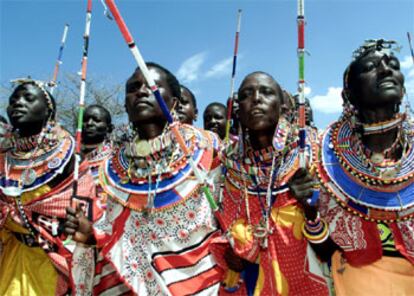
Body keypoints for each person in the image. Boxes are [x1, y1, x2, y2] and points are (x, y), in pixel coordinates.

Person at [66, 63, 223, 295]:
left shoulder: (207, 147)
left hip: (203, 283)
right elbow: (112, 233)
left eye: (152, 86)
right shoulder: (110, 170)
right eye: (132, 88)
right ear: (126, 107)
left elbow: (230, 213)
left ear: (174, 102)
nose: (141, 91)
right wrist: (91, 236)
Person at [310, 39, 414, 295]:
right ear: (349, 94)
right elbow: (325, 251)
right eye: (371, 67)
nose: (386, 70)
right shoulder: (323, 161)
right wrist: (309, 211)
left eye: (393, 65)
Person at [212, 71, 329, 295]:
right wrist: (234, 252)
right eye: (246, 94)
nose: (256, 98)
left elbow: (333, 249)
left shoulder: (311, 153)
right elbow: (227, 241)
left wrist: (310, 210)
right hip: (254, 281)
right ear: (239, 110)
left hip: (312, 279)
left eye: (266, 92)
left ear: (283, 106)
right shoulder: (226, 168)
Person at [0, 78, 100, 295]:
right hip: (11, 256)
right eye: (13, 99)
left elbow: (85, 210)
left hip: (53, 260)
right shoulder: (4, 158)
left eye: (28, 98)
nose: (18, 103)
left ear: (48, 111)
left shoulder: (68, 154)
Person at [81, 104, 114, 209]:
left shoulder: (114, 158)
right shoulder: (68, 155)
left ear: (108, 128)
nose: (89, 124)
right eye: (85, 120)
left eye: (96, 120)